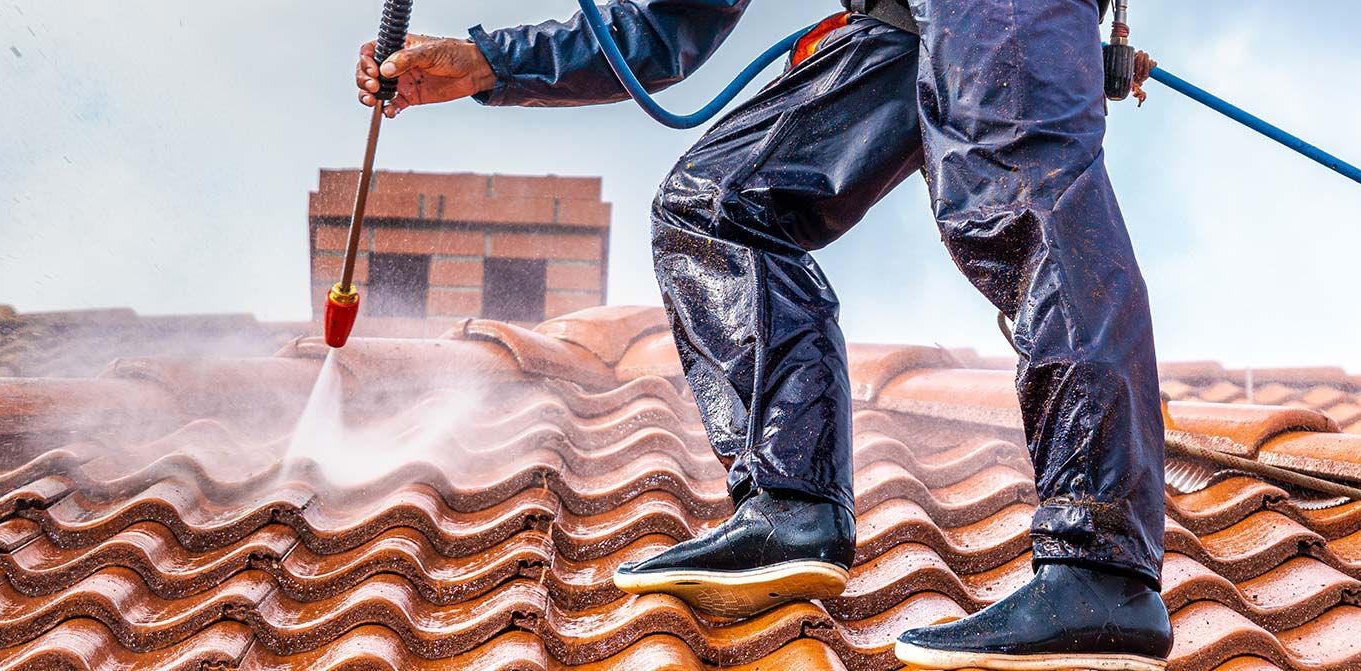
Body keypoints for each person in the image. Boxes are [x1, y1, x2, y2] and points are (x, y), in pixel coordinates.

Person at [354, 0, 1173, 668]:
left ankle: (1100, 566)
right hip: (905, 21)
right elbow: (665, 29)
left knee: (1020, 193)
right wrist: (488, 62)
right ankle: (794, 503)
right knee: (714, 205)